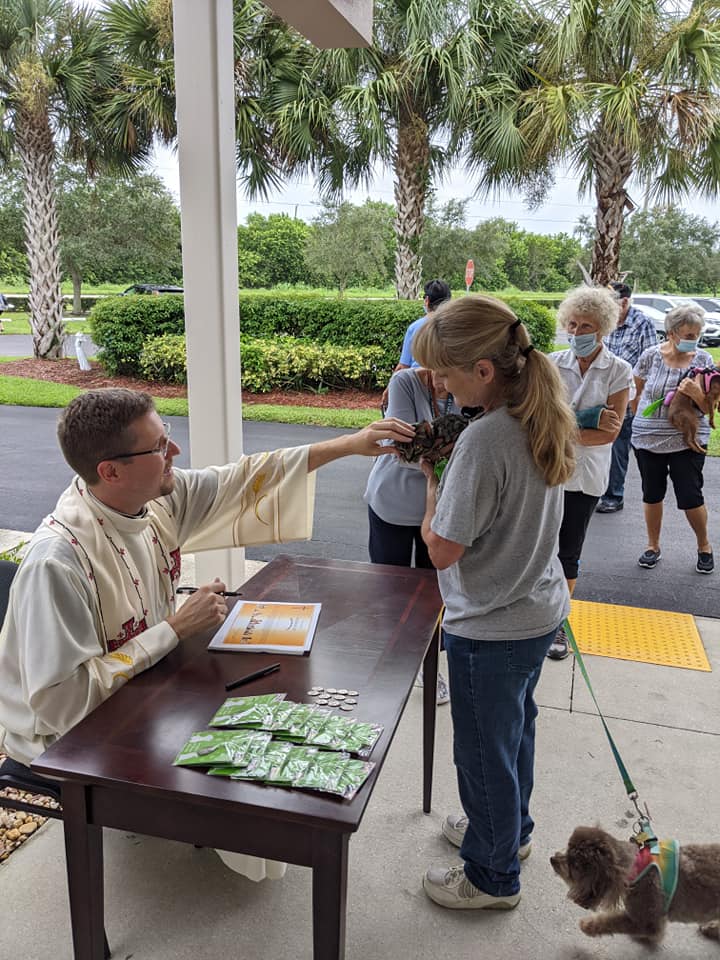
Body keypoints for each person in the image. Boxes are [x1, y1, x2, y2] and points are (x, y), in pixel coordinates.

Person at [0, 388, 414, 881]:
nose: (175, 451)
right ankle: (231, 828)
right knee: (232, 731)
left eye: (168, 435)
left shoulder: (153, 501)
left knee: (264, 697)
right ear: (110, 471)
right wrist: (174, 629)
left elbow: (242, 478)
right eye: (159, 446)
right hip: (64, 735)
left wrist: (348, 444)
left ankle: (256, 831)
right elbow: (60, 704)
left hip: (141, 683)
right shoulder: (59, 563)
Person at [411, 294, 576, 911]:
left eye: (443, 373)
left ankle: (491, 876)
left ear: (483, 370)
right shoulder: (540, 414)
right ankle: (509, 834)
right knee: (512, 740)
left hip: (490, 628)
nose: (437, 384)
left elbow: (442, 550)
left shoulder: (484, 440)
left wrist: (431, 483)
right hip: (535, 612)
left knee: (482, 755)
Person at [364, 366, 462, 704]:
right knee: (389, 587)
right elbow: (401, 449)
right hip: (391, 502)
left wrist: (429, 442)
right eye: (434, 367)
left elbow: (466, 447)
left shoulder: (470, 387)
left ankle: (427, 662)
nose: (440, 379)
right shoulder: (404, 381)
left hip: (439, 509)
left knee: (433, 592)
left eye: (449, 368)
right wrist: (452, 446)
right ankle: (392, 657)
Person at [545, 287, 633, 660]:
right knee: (539, 546)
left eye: (586, 326)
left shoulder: (618, 370)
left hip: (586, 476)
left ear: (603, 329)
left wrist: (561, 427)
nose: (577, 332)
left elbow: (610, 433)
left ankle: (558, 624)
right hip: (547, 471)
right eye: (572, 324)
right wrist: (588, 418)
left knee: (568, 550)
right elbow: (538, 420)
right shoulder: (551, 363)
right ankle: (534, 614)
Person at [631, 303, 715, 574]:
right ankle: (652, 546)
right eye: (689, 335)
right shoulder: (650, 356)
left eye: (697, 335)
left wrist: (696, 393)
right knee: (652, 493)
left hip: (687, 440)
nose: (694, 340)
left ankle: (704, 546)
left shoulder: (703, 361)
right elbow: (636, 393)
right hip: (647, 439)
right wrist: (640, 421)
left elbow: (709, 408)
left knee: (690, 495)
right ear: (671, 333)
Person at [596, 282, 657, 513]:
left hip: (627, 396)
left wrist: (638, 399)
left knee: (617, 448)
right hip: (600, 393)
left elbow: (651, 362)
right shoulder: (604, 322)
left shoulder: (642, 324)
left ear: (624, 302)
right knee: (598, 445)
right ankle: (596, 490)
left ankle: (614, 496)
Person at [381, 279, 451, 407]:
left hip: (417, 386)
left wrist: (389, 389)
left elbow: (403, 366)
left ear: (427, 300)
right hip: (449, 388)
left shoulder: (415, 327)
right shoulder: (457, 328)